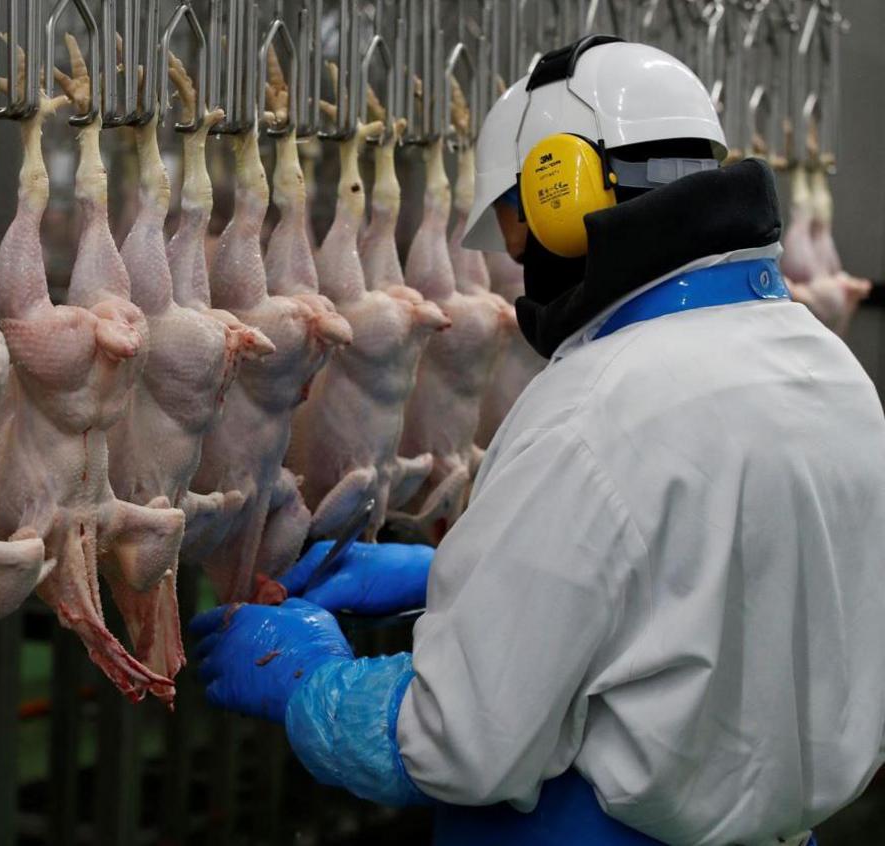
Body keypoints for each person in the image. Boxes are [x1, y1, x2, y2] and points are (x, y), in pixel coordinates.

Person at [191, 37, 885, 846]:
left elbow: (459, 745)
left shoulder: (596, 404)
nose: (517, 260)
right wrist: (465, 578)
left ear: (566, 193)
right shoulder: (827, 368)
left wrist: (310, 681)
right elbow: (720, 588)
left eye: (517, 228)